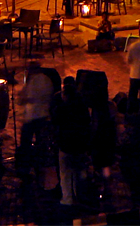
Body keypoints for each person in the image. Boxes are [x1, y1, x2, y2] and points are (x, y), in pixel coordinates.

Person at [51, 77, 92, 207]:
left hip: (66, 146)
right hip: (80, 145)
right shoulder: (82, 106)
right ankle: (79, 196)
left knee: (65, 173)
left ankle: (67, 199)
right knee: (79, 172)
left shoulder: (60, 109)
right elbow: (87, 122)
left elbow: (55, 122)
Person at [19, 61, 56, 151]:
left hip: (37, 115)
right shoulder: (43, 79)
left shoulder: (40, 81)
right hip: (36, 115)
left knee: (27, 140)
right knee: (38, 140)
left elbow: (39, 98)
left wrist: (25, 99)